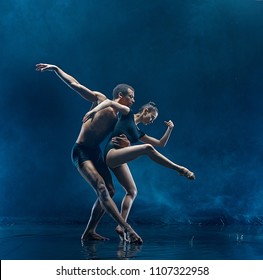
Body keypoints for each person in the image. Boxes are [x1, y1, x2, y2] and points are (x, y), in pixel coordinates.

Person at [35, 63, 142, 244]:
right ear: (120, 95)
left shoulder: (120, 119)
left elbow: (125, 138)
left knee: (110, 190)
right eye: (131, 97)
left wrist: (127, 143)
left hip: (96, 153)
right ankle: (127, 228)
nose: (133, 101)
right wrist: (56, 69)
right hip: (81, 151)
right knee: (101, 188)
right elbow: (75, 85)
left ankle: (89, 232)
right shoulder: (100, 100)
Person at [83, 98, 195, 240]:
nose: (152, 121)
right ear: (145, 111)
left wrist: (170, 129)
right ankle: (179, 169)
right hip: (111, 154)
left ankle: (120, 226)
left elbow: (161, 144)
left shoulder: (139, 132)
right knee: (147, 148)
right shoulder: (127, 114)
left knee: (132, 191)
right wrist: (93, 110)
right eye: (152, 117)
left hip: (119, 157)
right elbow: (110, 103)